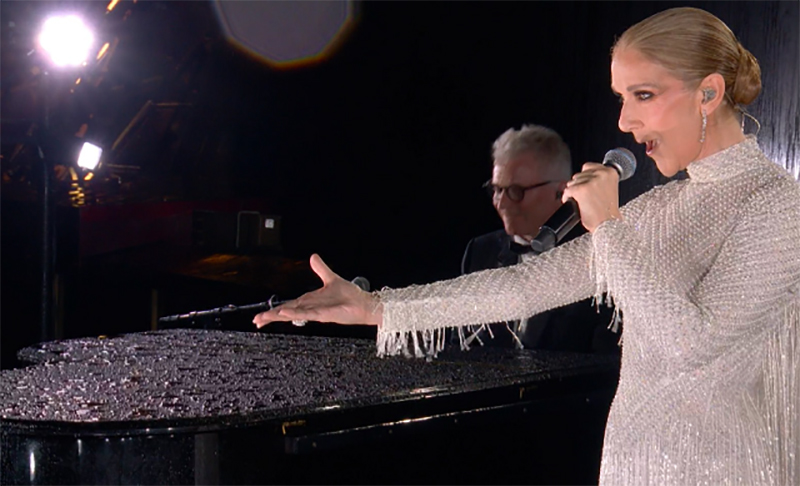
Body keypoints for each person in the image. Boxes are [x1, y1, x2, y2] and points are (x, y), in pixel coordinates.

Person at [254, 7, 799, 485]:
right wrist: (377, 308)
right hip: (631, 466)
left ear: (709, 92)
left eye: (644, 95)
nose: (625, 121)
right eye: (620, 98)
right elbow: (526, 284)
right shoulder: (657, 210)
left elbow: (693, 346)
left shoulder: (779, 205)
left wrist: (608, 226)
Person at [461, 124, 619, 352]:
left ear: (561, 192)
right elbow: (463, 347)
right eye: (496, 190)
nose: (501, 204)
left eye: (516, 191)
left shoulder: (600, 258)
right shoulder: (480, 250)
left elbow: (606, 363)